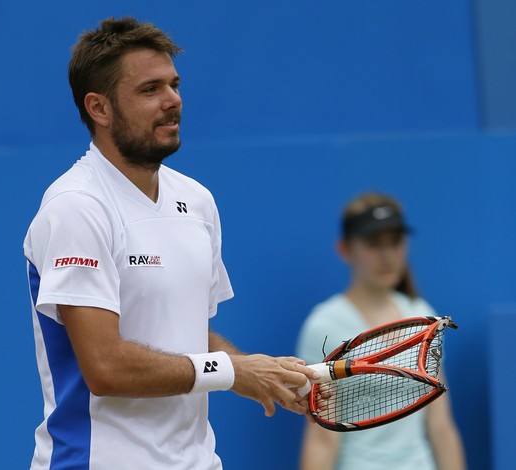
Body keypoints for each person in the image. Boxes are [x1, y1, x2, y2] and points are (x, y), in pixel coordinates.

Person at [23, 17, 319, 470]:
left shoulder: (197, 201)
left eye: (174, 85)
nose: (173, 101)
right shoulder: (75, 208)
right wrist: (232, 371)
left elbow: (183, 335)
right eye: (150, 90)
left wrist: (260, 373)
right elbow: (105, 367)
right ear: (99, 109)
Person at [296, 192, 466, 470]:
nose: (387, 255)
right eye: (374, 243)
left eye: (395, 242)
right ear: (345, 250)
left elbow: (441, 426)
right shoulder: (324, 326)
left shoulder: (421, 313)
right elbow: (322, 437)